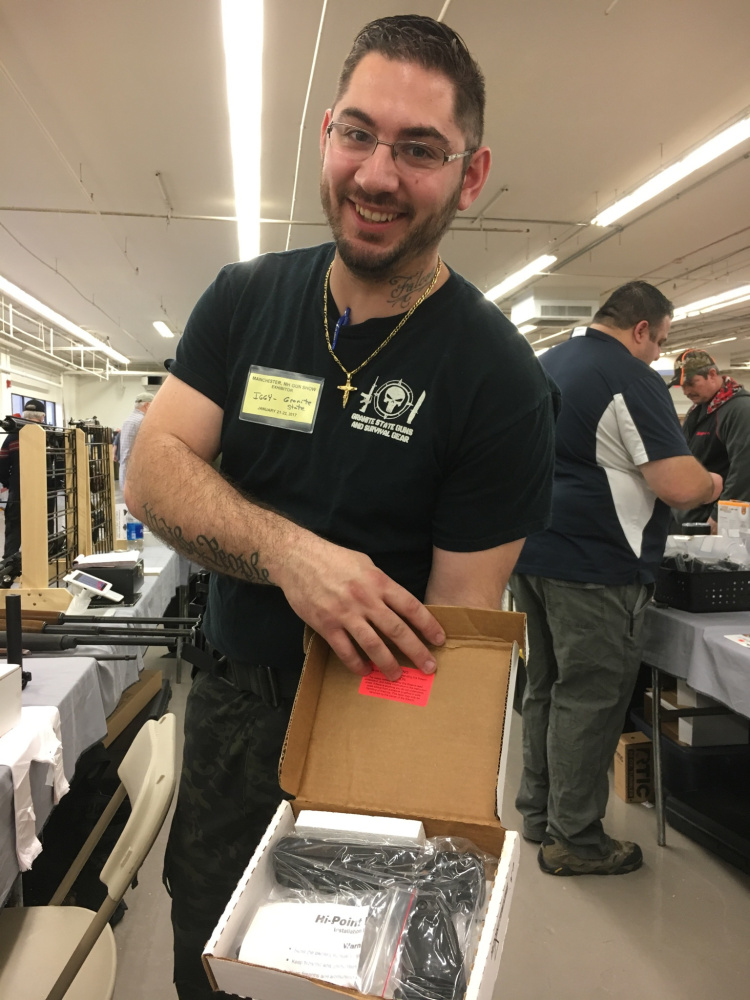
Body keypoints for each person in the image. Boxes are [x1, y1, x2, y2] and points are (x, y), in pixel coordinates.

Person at [125, 15, 558, 1000]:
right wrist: (291, 556)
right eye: (358, 133)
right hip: (233, 705)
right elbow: (154, 470)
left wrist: (414, 836)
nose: (376, 173)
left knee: (345, 972)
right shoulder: (245, 301)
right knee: (211, 947)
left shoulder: (496, 379)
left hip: (380, 718)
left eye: (418, 149)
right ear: (325, 134)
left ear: (471, 173)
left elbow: (454, 636)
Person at [510, 281, 723, 877]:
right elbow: (678, 484)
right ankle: (575, 838)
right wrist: (713, 485)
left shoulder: (546, 363)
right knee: (591, 697)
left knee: (546, 687)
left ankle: (539, 814)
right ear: (639, 329)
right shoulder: (628, 377)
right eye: (660, 341)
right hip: (597, 566)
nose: (660, 355)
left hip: (531, 555)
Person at [669, 348, 750, 532]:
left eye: (691, 383)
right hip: (690, 517)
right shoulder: (698, 410)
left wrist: (721, 515)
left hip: (715, 522)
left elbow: (744, 469)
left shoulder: (740, 410)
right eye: (682, 386)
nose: (686, 391)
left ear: (712, 375)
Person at [0, 398, 47, 558]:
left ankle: (8, 571)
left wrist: (10, 483)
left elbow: (2, 464)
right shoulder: (50, 434)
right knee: (42, 528)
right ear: (42, 417)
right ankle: (39, 565)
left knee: (14, 530)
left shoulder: (12, 436)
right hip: (45, 491)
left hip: (18, 490)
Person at [117, 392, 153, 490]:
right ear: (147, 405)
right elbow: (126, 454)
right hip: (134, 477)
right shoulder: (137, 421)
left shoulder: (133, 420)